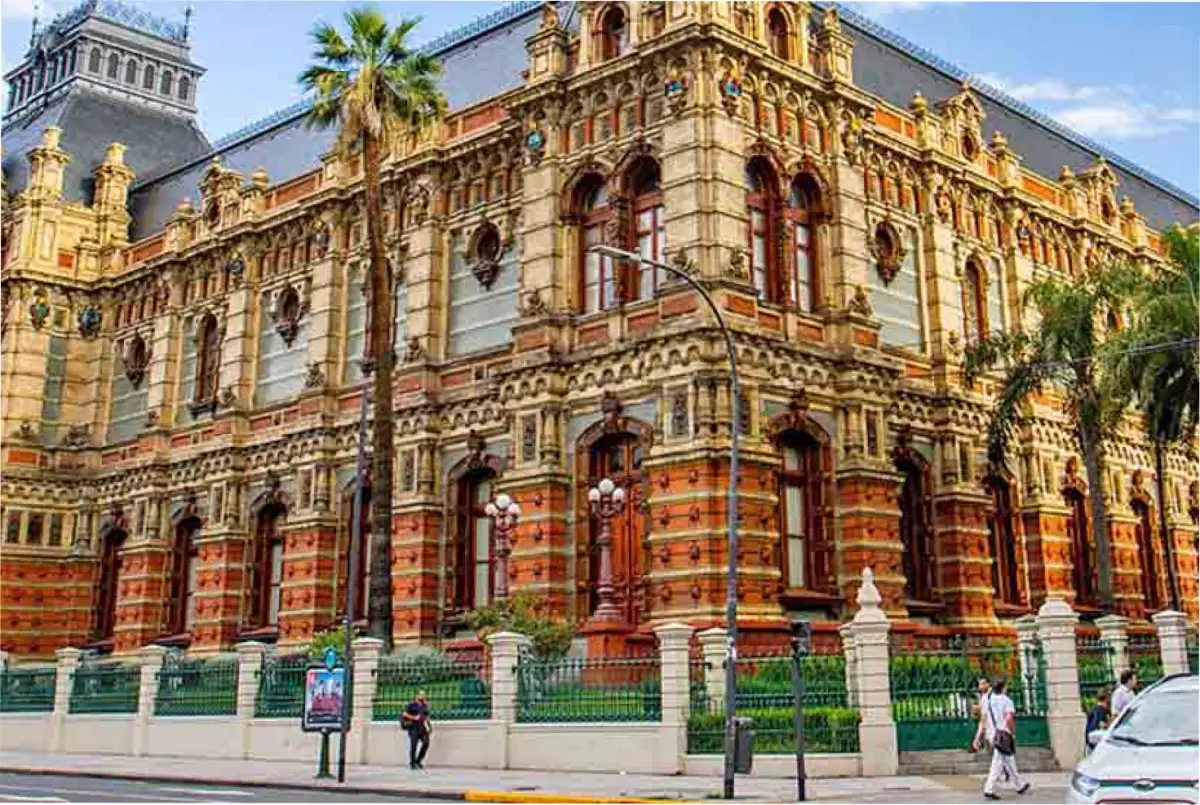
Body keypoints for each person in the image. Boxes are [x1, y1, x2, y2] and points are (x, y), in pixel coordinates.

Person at [982, 678, 1030, 801]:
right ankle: (989, 789)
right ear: (1003, 688)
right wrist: (1013, 733)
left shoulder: (990, 700)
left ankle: (1019, 786)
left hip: (997, 732)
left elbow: (986, 716)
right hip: (1005, 734)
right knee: (997, 763)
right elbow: (1009, 719)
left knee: (1009, 761)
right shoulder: (1007, 701)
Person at [401, 690, 431, 770]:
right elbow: (404, 714)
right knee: (413, 746)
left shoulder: (425, 705)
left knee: (426, 743)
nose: (423, 696)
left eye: (424, 694)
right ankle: (412, 763)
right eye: (421, 694)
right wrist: (414, 717)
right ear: (416, 696)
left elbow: (427, 717)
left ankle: (418, 761)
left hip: (422, 728)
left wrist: (429, 726)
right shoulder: (411, 705)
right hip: (413, 728)